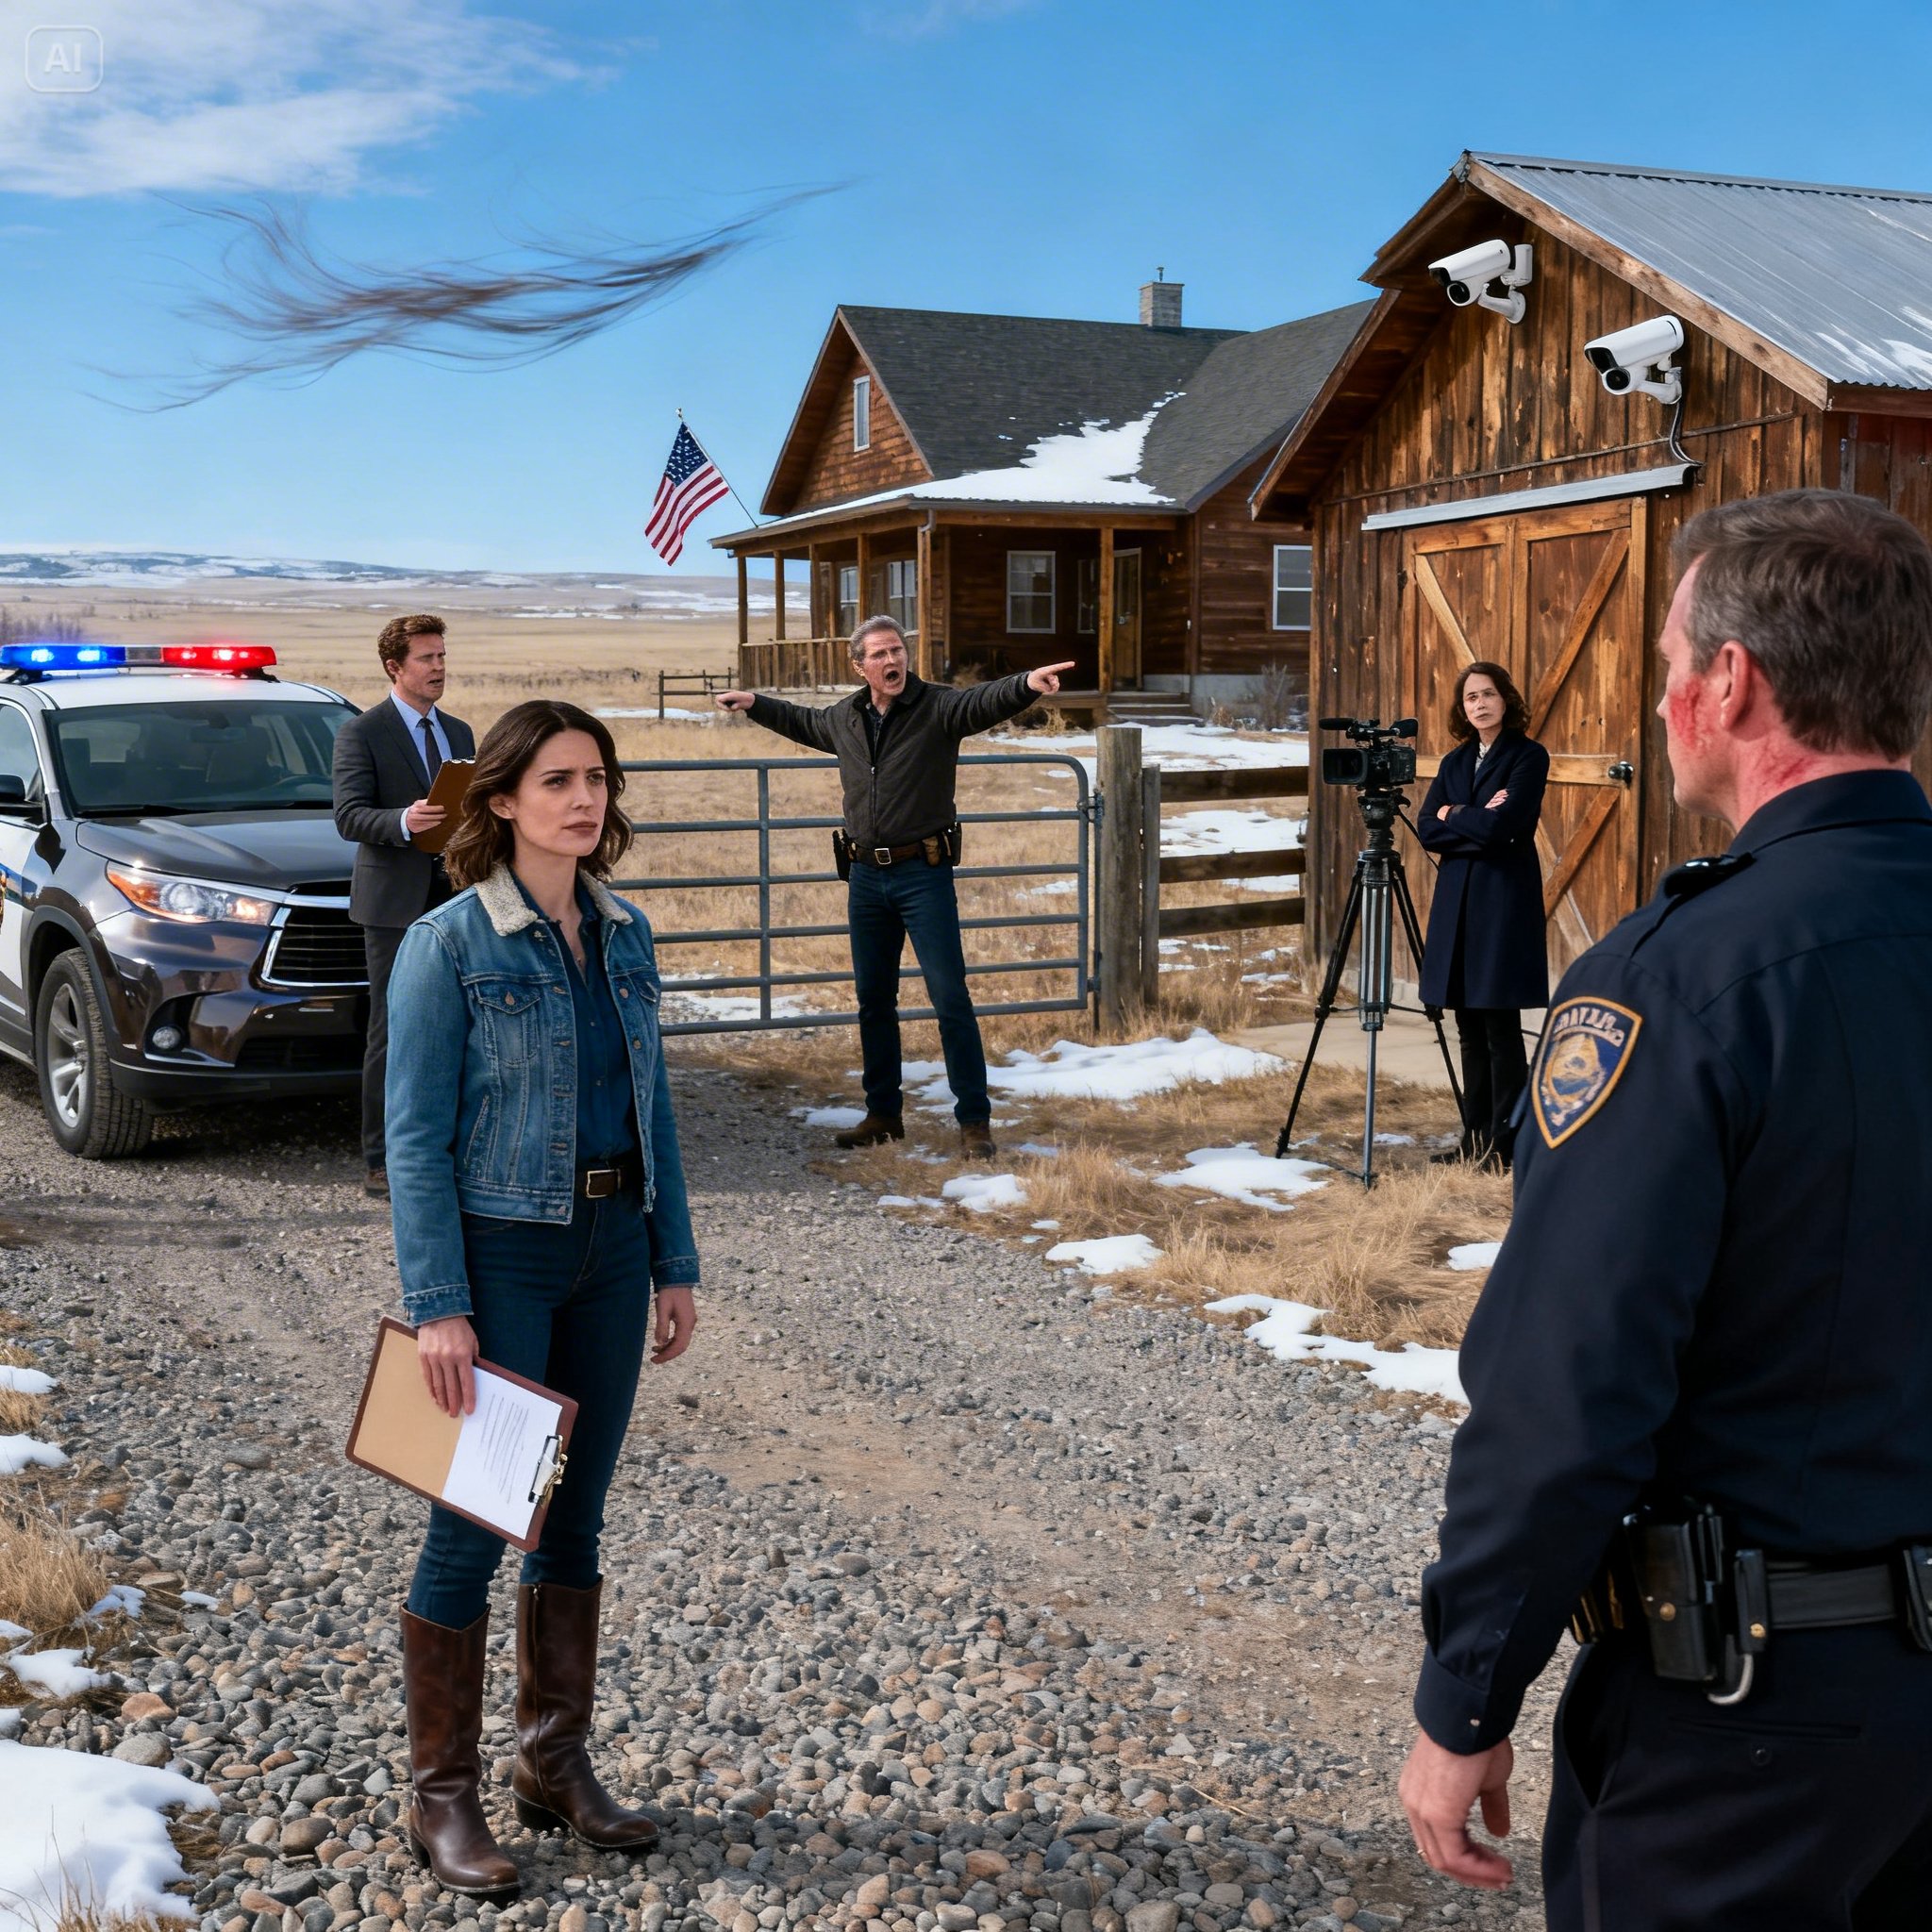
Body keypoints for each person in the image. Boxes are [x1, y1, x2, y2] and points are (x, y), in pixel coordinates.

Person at [1398, 488, 1932, 1927]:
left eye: (1668, 663)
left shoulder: (1682, 980)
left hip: (1755, 1715)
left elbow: (1572, 1379)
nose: (1659, 695)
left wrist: (1468, 1692)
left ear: (1732, 683)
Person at [383, 699, 700, 1902]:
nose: (586, 798)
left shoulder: (627, 932)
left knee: (575, 1520)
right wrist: (440, 1301)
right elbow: (413, 1138)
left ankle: (551, 1762)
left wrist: (675, 1259)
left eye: (598, 778)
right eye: (559, 779)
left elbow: (657, 1107)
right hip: (502, 1257)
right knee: (473, 1518)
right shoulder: (450, 944)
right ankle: (442, 1794)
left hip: (612, 1251)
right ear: (502, 799)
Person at [715, 617, 1073, 1158]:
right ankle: (883, 1115)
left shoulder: (938, 708)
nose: (892, 661)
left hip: (922, 875)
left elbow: (984, 702)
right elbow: (803, 722)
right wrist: (756, 702)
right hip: (864, 878)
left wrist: (1026, 684)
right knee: (873, 1000)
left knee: (950, 996)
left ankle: (974, 1121)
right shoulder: (846, 717)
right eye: (879, 653)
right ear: (860, 666)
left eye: (897, 650)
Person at [331, 614, 475, 1196]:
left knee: (459, 1024)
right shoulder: (361, 733)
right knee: (393, 1030)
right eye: (427, 659)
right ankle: (381, 1160)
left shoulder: (461, 733)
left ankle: (451, 1146)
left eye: (442, 656)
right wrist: (403, 821)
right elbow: (348, 815)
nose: (439, 667)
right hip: (393, 905)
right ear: (395, 667)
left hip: (458, 897)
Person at [1413, 661, 1548, 1169]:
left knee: (1498, 1024)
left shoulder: (1528, 757)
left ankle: (1504, 1145)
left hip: (1501, 900)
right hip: (1457, 901)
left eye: (1489, 694)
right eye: (1471, 698)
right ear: (1462, 708)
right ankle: (1473, 1138)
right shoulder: (1454, 762)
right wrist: (1467, 818)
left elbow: (1505, 828)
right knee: (1467, 1022)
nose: (1480, 704)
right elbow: (1427, 828)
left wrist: (1457, 815)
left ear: (1506, 700)